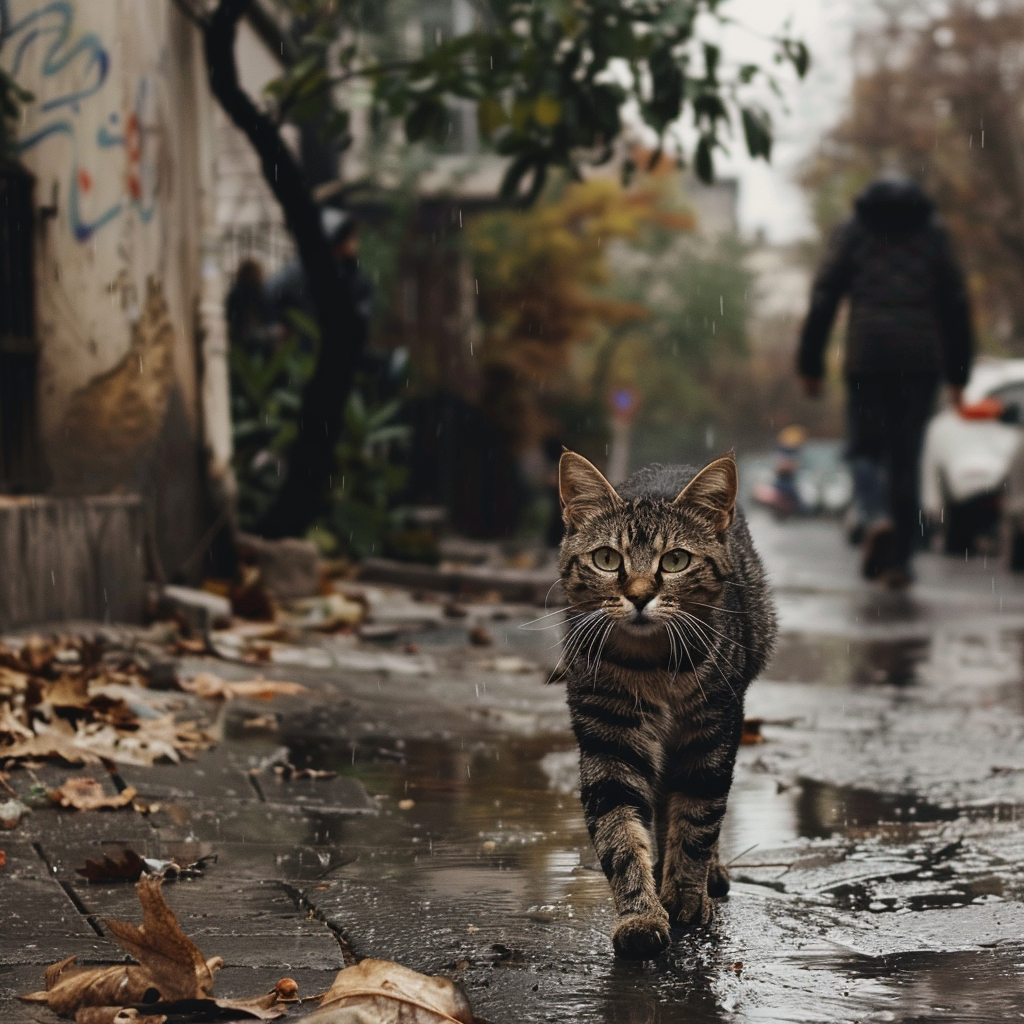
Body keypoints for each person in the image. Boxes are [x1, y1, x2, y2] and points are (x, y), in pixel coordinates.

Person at [797, 175, 974, 588]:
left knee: (863, 449)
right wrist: (958, 375)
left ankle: (875, 517)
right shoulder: (933, 233)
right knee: (905, 458)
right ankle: (900, 563)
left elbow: (825, 294)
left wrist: (811, 363)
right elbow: (956, 302)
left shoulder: (854, 230)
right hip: (919, 360)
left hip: (868, 355)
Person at [265, 207, 374, 350]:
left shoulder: (351, 273)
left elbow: (361, 310)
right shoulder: (303, 271)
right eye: (351, 237)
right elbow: (273, 293)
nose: (355, 244)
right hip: (302, 354)